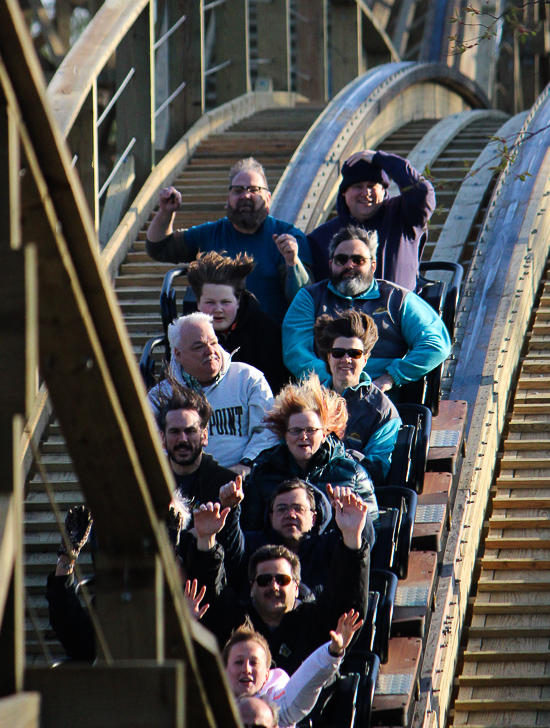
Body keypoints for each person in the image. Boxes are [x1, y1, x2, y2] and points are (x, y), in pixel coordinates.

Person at [186, 493, 370, 674]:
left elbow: (347, 602)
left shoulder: (314, 622)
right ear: (251, 588)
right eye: (264, 580)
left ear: (297, 587)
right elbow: (211, 595)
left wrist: (352, 538)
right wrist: (206, 540)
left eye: (283, 580)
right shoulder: (237, 623)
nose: (273, 587)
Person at [282, 226, 451, 395]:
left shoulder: (398, 299)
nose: (349, 265)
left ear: (373, 265)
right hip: (325, 395)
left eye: (358, 260)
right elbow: (296, 352)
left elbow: (436, 344)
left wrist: (392, 377)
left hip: (384, 398)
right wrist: (337, 381)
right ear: (330, 264)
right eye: (341, 260)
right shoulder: (309, 298)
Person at [145, 157, 313, 323]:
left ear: (268, 199)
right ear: (228, 199)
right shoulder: (209, 234)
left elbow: (303, 299)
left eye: (254, 190)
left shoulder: (289, 237)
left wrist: (293, 261)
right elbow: (159, 247)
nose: (245, 195)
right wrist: (166, 213)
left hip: (271, 342)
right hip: (215, 343)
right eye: (238, 190)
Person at [239, 374, 378, 532]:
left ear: (324, 434)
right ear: (285, 435)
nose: (303, 436)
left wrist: (352, 516)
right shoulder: (263, 472)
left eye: (311, 430)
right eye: (295, 430)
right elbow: (250, 533)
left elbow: (372, 535)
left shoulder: (353, 474)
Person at [149, 313, 276, 475]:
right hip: (183, 484)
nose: (210, 351)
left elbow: (267, 432)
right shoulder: (159, 396)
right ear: (178, 354)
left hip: (243, 479)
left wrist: (247, 463)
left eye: (213, 342)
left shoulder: (248, 378)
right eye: (198, 346)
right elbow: (152, 446)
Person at [221, 479, 375, 596]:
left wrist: (355, 517)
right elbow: (230, 546)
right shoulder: (253, 545)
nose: (290, 515)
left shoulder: (328, 548)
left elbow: (357, 553)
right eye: (282, 509)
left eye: (298, 509)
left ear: (314, 518)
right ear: (270, 517)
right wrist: (230, 509)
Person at [307, 149, 435, 290]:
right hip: (345, 311)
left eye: (371, 186)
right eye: (357, 186)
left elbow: (423, 192)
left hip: (396, 309)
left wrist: (382, 159)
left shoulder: (403, 216)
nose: (365, 193)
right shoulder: (320, 238)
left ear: (384, 190)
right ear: (344, 192)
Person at [224, 611, 362, 728]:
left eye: (254, 663)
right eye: (238, 662)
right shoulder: (210, 706)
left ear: (267, 674)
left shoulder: (278, 707)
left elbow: (305, 684)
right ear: (223, 670)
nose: (246, 669)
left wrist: (331, 652)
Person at [314, 309, 401, 486]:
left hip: (349, 492)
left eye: (355, 354)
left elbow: (375, 472)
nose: (346, 359)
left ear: (366, 359)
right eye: (338, 352)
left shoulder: (384, 412)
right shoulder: (308, 399)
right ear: (328, 357)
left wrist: (336, 455)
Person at [186, 251, 289, 393]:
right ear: (198, 303)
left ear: (238, 302)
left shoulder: (265, 330)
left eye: (226, 302)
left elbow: (275, 384)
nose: (218, 309)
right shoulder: (185, 332)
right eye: (210, 303)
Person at [155, 386, 238, 507]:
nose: (183, 439)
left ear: (204, 436)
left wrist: (230, 507)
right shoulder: (150, 484)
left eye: (190, 431)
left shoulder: (227, 485)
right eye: (174, 431)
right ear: (162, 438)